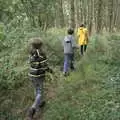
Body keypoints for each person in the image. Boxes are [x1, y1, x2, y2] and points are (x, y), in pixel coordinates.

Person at [27, 38, 52, 119]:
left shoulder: (31, 53)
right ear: (41, 45)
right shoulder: (41, 54)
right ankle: (33, 108)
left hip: (31, 75)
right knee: (40, 92)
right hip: (39, 76)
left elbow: (31, 64)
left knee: (36, 89)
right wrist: (50, 70)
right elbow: (44, 66)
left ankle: (40, 102)